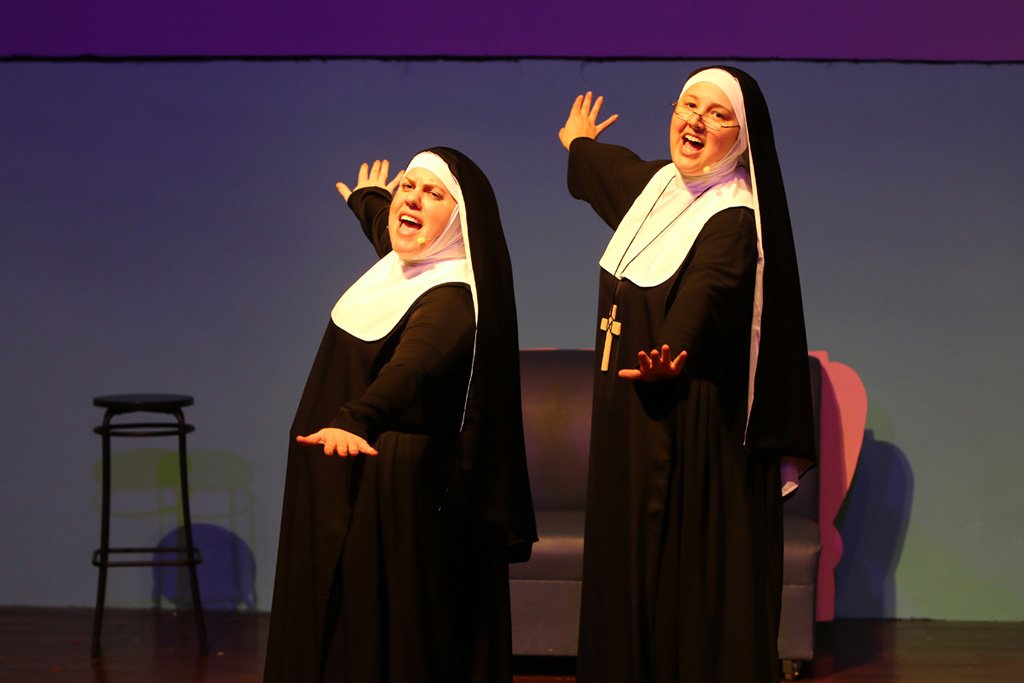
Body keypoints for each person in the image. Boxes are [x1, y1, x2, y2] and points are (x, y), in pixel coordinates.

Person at [557, 67, 816, 682]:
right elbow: (608, 170)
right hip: (631, 413)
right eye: (687, 105)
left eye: (717, 114)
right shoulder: (659, 187)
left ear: (743, 139)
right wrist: (578, 142)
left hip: (691, 426)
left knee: (676, 573)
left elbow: (710, 288)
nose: (695, 120)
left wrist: (673, 347)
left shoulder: (735, 217)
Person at [263, 147, 536, 683]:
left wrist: (357, 417)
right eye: (407, 187)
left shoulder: (451, 298)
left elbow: (412, 368)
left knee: (374, 633)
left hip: (393, 488)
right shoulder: (406, 267)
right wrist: (370, 201)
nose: (410, 199)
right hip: (352, 473)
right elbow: (389, 234)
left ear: (459, 221)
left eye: (432, 193)